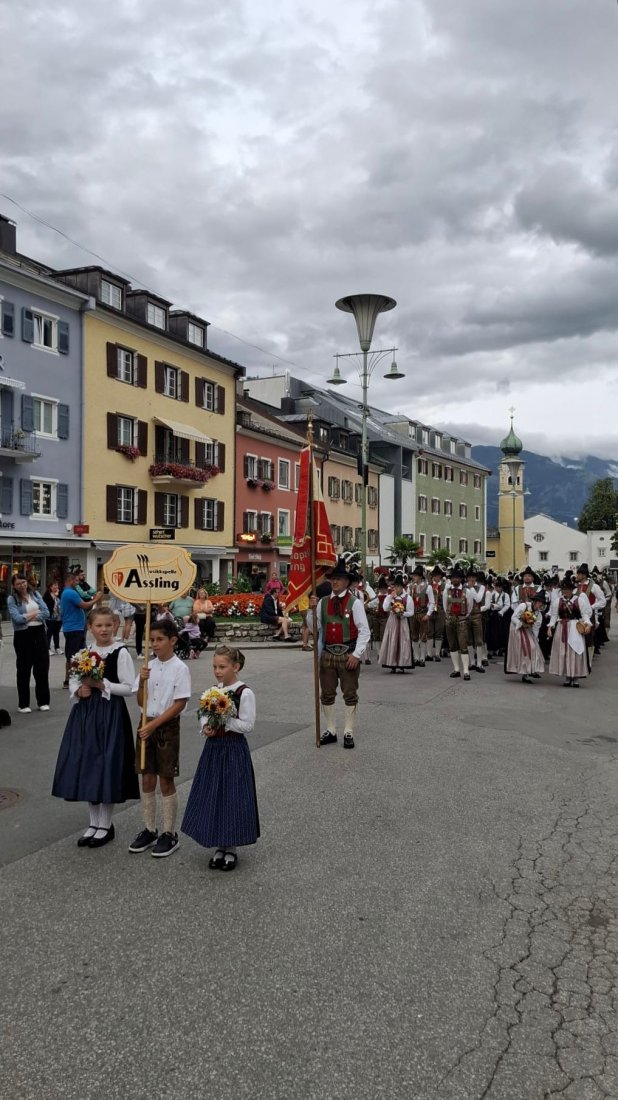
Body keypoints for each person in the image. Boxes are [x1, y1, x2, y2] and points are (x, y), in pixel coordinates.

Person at [51, 606, 139, 847]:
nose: (104, 629)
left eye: (108, 625)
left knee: (106, 764)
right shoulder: (84, 653)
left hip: (110, 714)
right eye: (99, 625)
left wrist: (101, 685)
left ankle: (106, 824)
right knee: (89, 764)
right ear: (90, 627)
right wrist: (79, 689)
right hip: (86, 714)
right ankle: (93, 822)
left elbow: (130, 688)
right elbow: (74, 680)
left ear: (116, 626)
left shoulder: (120, 652)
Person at [181, 645, 259, 872]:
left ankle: (231, 847)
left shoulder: (244, 693)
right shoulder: (213, 691)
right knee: (214, 794)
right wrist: (206, 726)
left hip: (233, 749)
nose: (217, 671)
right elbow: (204, 715)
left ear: (236, 667)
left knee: (232, 795)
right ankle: (219, 844)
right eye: (215, 666)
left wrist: (225, 720)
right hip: (214, 749)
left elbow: (248, 725)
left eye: (222, 667)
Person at [129, 619, 191, 857]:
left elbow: (180, 703)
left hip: (165, 726)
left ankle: (169, 832)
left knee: (166, 778)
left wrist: (153, 725)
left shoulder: (180, 668)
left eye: (159, 639)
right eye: (151, 640)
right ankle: (149, 828)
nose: (154, 644)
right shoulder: (148, 666)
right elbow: (140, 700)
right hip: (146, 722)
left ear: (172, 640)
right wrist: (142, 682)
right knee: (147, 778)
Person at [310, 558, 371, 749]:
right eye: (332, 578)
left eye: (338, 578)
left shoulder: (355, 603)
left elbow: (364, 631)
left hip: (348, 654)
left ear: (346, 581)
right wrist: (311, 610)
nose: (334, 581)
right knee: (327, 694)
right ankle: (331, 730)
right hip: (327, 653)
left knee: (350, 694)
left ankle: (348, 731)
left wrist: (357, 654)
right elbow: (314, 628)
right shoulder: (322, 603)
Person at [7, 573, 51, 713]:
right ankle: (23, 704)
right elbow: (17, 619)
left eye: (23, 582)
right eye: (18, 583)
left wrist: (28, 616)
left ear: (27, 582)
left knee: (42, 668)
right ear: (14, 586)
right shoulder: (12, 599)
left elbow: (46, 612)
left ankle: (43, 701)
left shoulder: (35, 594)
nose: (22, 585)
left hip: (39, 632)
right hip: (23, 635)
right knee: (24, 670)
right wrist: (35, 614)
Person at [548, 578, 593, 687]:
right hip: (562, 628)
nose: (565, 591)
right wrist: (550, 627)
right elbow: (554, 616)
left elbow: (585, 614)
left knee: (575, 651)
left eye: (567, 589)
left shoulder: (579, 600)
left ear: (572, 590)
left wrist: (588, 624)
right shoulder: (557, 601)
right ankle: (567, 676)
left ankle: (576, 677)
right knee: (564, 652)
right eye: (563, 589)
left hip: (575, 628)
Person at [60, 572, 101, 688]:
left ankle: (72, 679)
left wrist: (92, 600)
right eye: (76, 581)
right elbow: (84, 605)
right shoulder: (70, 592)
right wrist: (96, 599)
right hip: (74, 628)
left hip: (73, 627)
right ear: (70, 580)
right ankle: (72, 680)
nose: (77, 584)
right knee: (75, 655)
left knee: (77, 653)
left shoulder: (67, 592)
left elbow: (84, 606)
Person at [506, 591, 546, 684]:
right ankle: (524, 672)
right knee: (524, 649)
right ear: (535, 601)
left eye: (542, 603)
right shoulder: (524, 606)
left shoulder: (538, 614)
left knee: (533, 647)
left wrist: (535, 638)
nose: (541, 604)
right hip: (516, 628)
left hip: (527, 629)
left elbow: (536, 628)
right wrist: (521, 623)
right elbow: (513, 617)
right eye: (539, 602)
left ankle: (531, 670)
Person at [443, 566, 475, 681]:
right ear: (451, 579)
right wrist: (449, 616)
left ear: (461, 579)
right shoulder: (446, 591)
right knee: (452, 645)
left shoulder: (467, 591)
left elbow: (470, 606)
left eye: (457, 577)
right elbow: (445, 605)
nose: (455, 579)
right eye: (453, 578)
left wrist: (463, 616)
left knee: (463, 645)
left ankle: (466, 670)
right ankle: (456, 669)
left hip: (462, 620)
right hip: (450, 620)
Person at [379, 573, 414, 673]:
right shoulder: (390, 596)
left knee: (403, 641)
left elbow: (411, 612)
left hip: (402, 621)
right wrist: (390, 597)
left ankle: (402, 664)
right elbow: (385, 608)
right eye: (395, 586)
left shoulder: (407, 597)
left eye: (398, 586)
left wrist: (403, 614)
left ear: (402, 587)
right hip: (392, 621)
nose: (397, 588)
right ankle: (392, 663)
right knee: (392, 640)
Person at [409, 565, 435, 667]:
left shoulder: (428, 587)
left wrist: (428, 614)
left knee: (423, 636)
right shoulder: (411, 587)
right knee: (414, 636)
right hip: (413, 614)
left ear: (420, 576)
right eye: (413, 576)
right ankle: (416, 657)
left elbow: (432, 602)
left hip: (423, 613)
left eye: (415, 576)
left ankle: (422, 658)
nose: (413, 577)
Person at [427, 567, 446, 662]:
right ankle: (429, 654)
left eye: (438, 575)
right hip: (430, 610)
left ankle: (437, 654)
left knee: (439, 632)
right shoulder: (429, 585)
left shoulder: (445, 586)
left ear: (440, 576)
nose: (436, 577)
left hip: (440, 610)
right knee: (429, 632)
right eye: (435, 575)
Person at [43, 580, 63, 655]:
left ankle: (57, 648)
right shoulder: (47, 595)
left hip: (59, 617)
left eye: (57, 585)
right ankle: (47, 648)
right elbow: (45, 605)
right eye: (54, 585)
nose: (56, 587)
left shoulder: (60, 594)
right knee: (49, 633)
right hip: (50, 617)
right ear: (50, 587)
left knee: (56, 633)